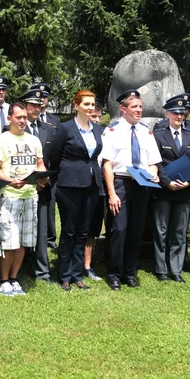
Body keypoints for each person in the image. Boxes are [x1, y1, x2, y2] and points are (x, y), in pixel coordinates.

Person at [100, 88, 161, 291]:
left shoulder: (146, 132)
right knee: (119, 229)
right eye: (134, 107)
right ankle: (114, 273)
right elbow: (107, 164)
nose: (139, 110)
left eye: (140, 107)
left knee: (136, 230)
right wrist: (112, 193)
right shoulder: (112, 131)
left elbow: (153, 162)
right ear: (123, 109)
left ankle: (129, 272)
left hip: (141, 184)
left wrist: (153, 173)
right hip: (121, 183)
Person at [49, 90, 103, 291]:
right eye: (86, 104)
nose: (90, 108)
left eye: (92, 104)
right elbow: (53, 155)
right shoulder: (65, 128)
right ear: (76, 105)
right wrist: (59, 177)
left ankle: (77, 274)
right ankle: (64, 275)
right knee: (69, 231)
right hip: (69, 185)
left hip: (91, 185)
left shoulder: (97, 130)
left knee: (83, 231)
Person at [0, 102, 46, 296]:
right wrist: (9, 181)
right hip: (10, 197)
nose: (22, 121)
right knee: (9, 241)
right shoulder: (1, 140)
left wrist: (43, 176)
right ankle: (4, 280)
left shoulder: (34, 140)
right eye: (18, 117)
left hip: (30, 196)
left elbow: (40, 163)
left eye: (24, 117)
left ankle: (14, 278)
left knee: (23, 241)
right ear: (10, 118)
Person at [152, 96, 190, 282]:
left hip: (185, 191)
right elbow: (155, 162)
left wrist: (189, 182)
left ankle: (176, 269)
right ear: (167, 114)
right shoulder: (158, 135)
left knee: (179, 232)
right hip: (164, 190)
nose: (179, 117)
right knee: (162, 230)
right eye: (175, 113)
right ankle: (161, 269)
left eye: (182, 113)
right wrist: (167, 182)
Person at [17, 90, 55, 283]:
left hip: (43, 187)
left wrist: (43, 180)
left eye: (39, 106)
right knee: (19, 228)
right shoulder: (16, 128)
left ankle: (42, 271)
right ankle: (18, 268)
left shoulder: (48, 129)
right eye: (33, 105)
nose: (36, 109)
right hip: (20, 187)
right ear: (24, 106)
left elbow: (52, 158)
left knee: (41, 231)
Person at [34, 83, 60, 249]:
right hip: (32, 171)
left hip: (49, 171)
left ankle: (50, 238)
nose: (42, 100)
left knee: (49, 208)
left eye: (44, 97)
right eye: (38, 98)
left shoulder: (54, 121)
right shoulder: (26, 124)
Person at [83, 100, 105, 281]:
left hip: (99, 186)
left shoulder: (103, 136)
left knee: (92, 230)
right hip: (82, 185)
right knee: (79, 227)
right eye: (93, 116)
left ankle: (87, 265)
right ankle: (75, 263)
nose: (96, 120)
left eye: (99, 116)